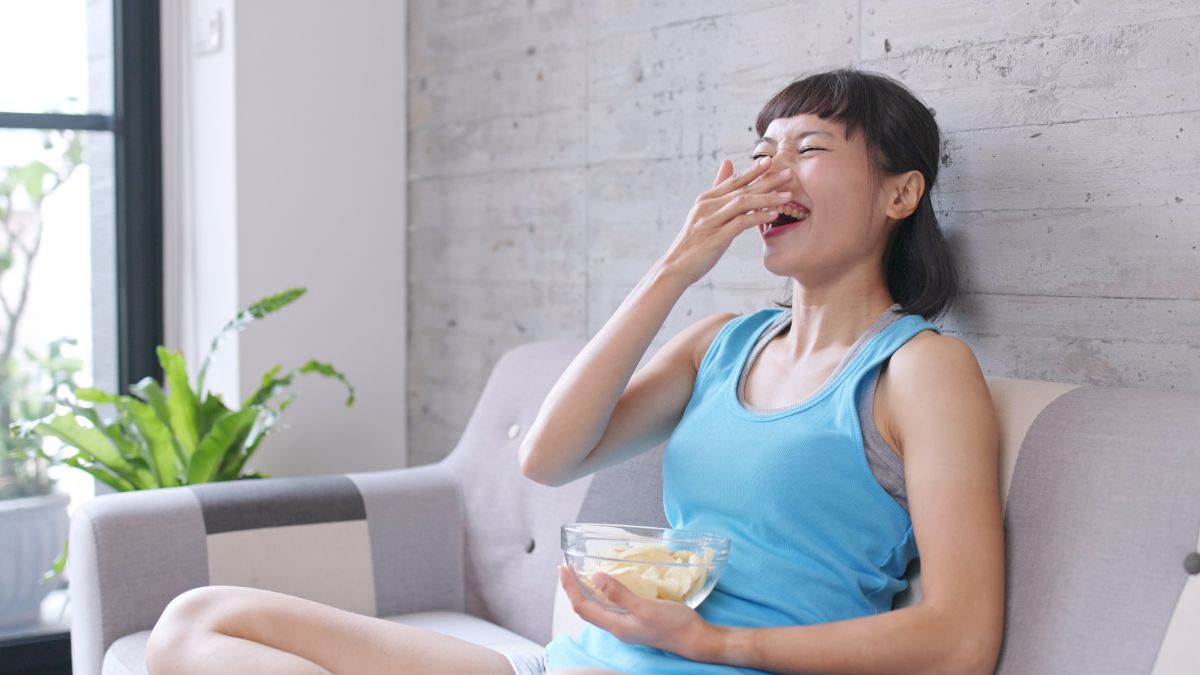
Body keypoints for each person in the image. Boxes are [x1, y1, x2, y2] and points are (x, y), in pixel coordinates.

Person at [145, 68, 1004, 675]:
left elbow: (961, 639)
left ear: (900, 194)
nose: (767, 172)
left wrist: (716, 644)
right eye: (760, 150)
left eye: (807, 147)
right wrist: (674, 267)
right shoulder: (722, 341)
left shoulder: (921, 371)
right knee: (196, 620)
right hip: (572, 663)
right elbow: (548, 456)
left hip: (715, 669)